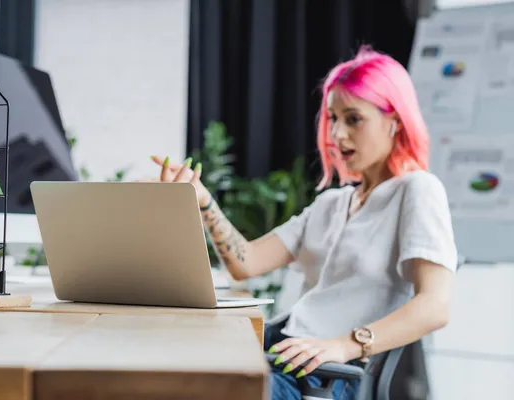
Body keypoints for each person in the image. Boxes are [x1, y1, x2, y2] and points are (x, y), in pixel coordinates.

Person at [150, 45, 457, 400]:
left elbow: (436, 306)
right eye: (333, 119)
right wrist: (201, 200)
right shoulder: (332, 203)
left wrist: (345, 346)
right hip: (280, 354)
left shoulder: (418, 190)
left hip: (326, 376)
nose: (337, 135)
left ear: (395, 121)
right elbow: (245, 263)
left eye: (353, 119)